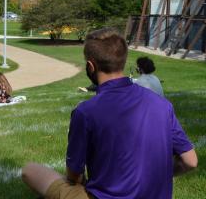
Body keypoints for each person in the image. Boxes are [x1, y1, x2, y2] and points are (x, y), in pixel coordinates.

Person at [21, 28, 198, 199]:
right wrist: (159, 176)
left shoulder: (85, 112)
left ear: (91, 66)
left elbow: (74, 176)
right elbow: (190, 161)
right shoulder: (163, 105)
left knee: (31, 170)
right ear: (122, 61)